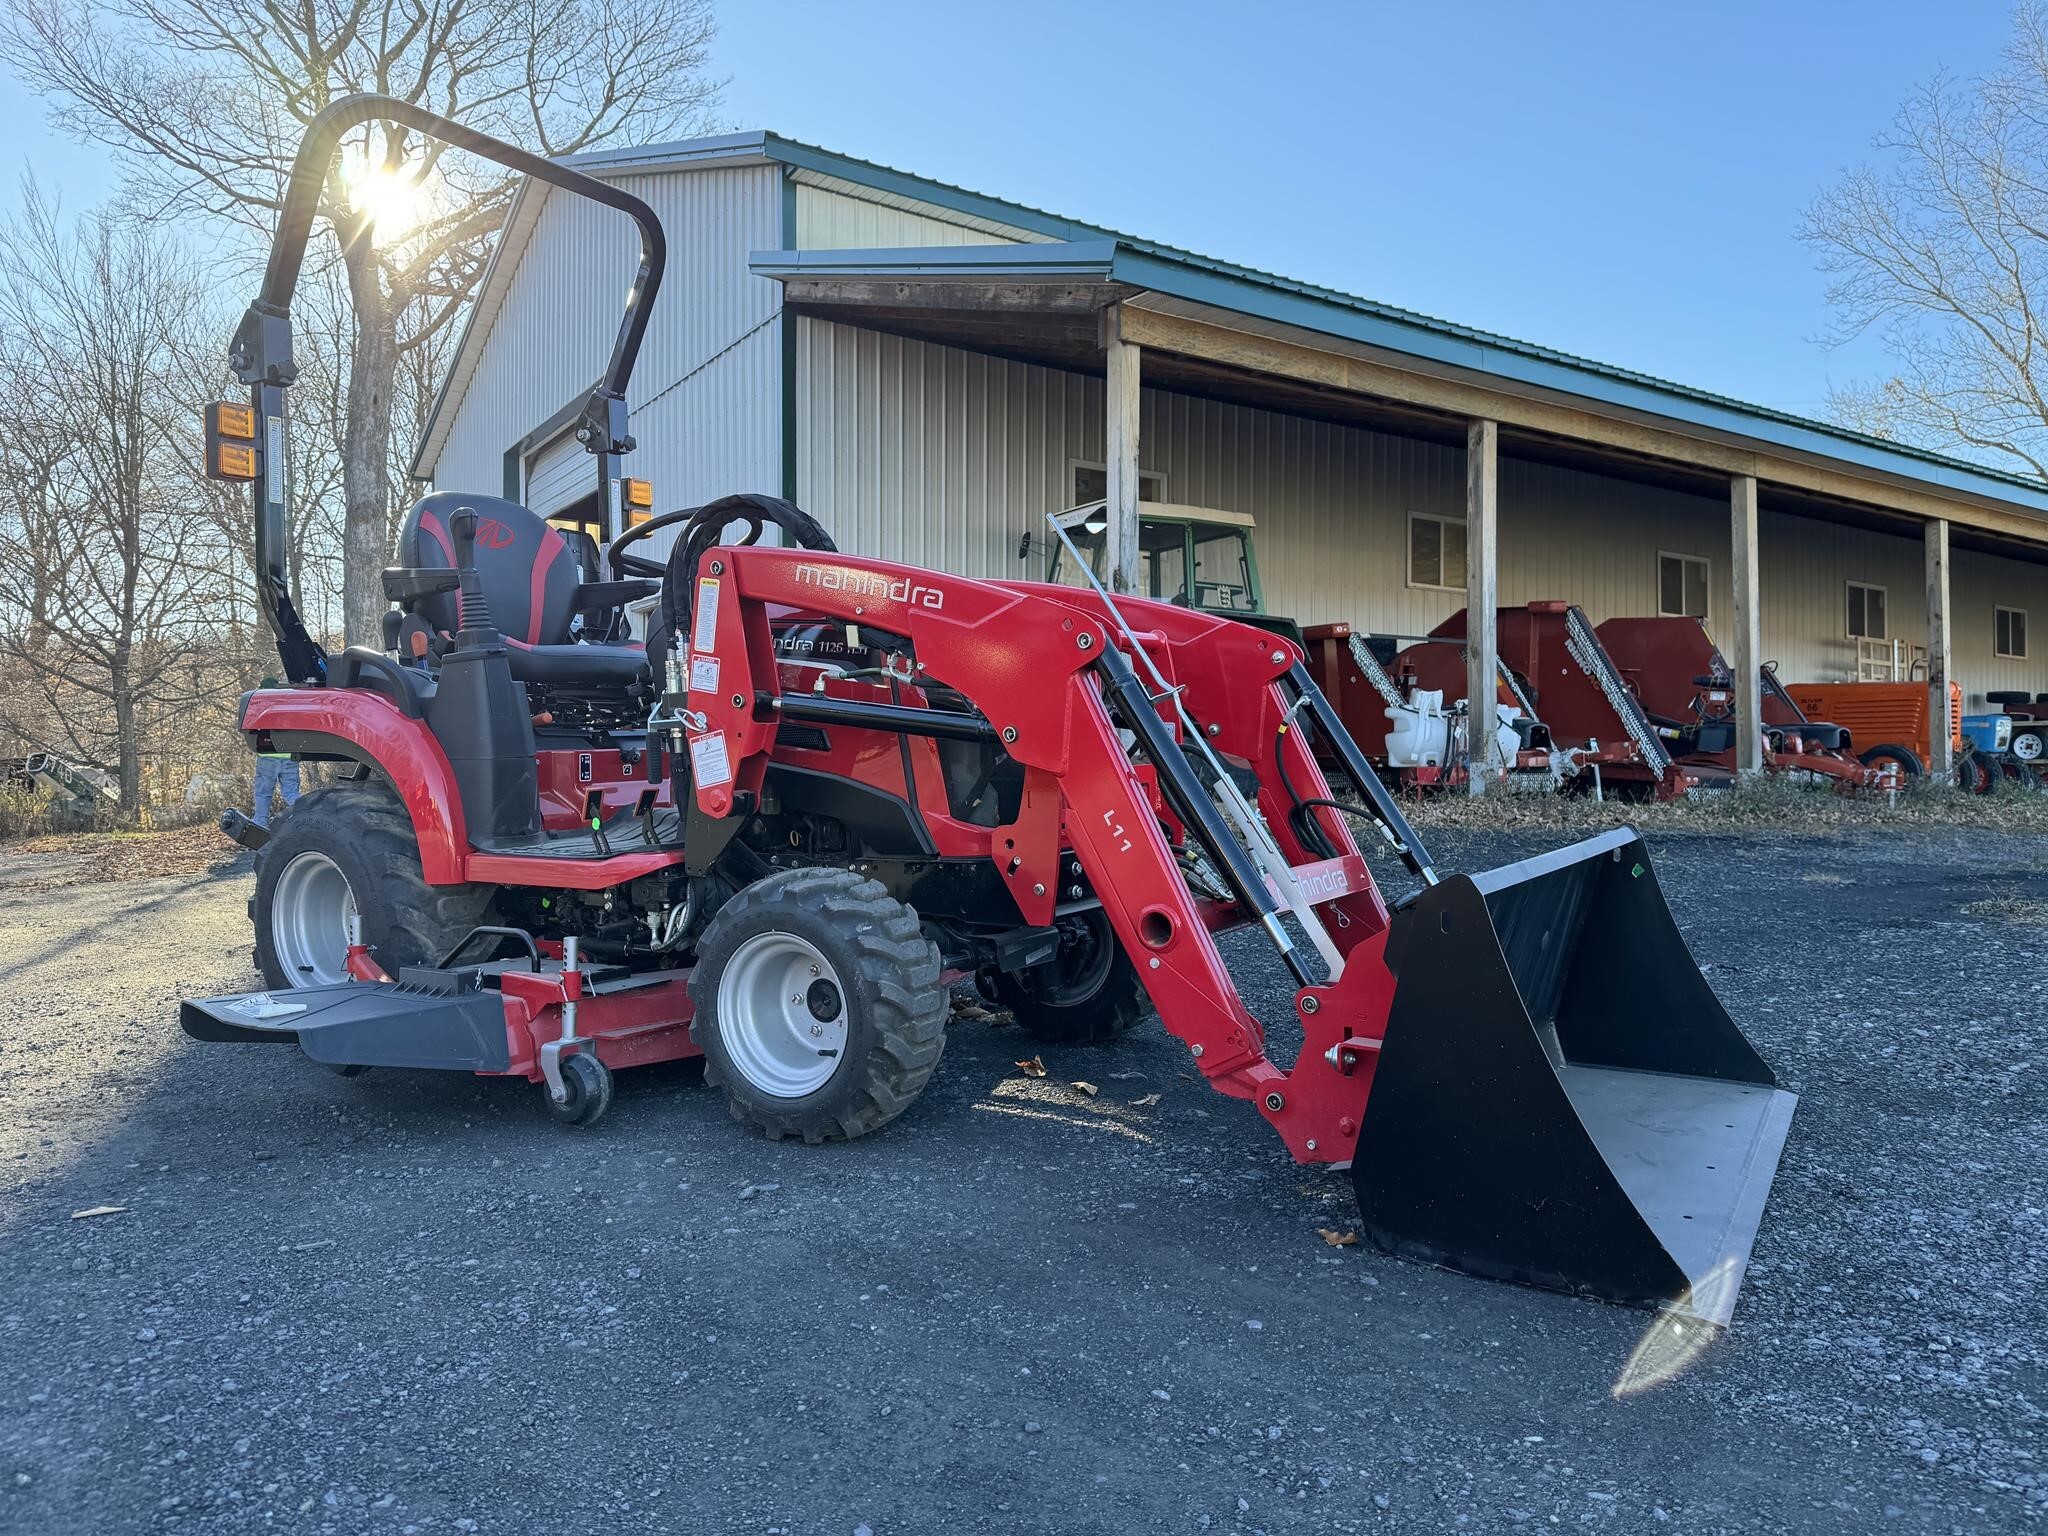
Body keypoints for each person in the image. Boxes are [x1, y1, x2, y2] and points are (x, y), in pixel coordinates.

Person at [251, 677, 300, 828]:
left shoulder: (261, 704)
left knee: (263, 792)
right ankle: (305, 816)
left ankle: (260, 822)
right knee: (291, 792)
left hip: (268, 755)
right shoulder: (288, 705)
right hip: (290, 755)